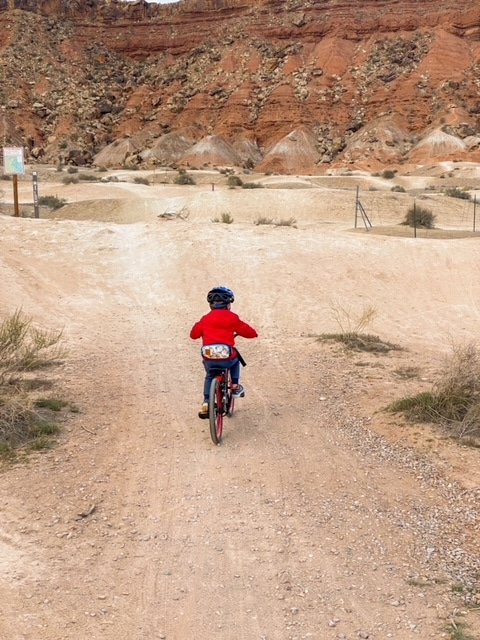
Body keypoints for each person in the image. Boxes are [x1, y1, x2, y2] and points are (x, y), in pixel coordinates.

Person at [190, 286, 258, 419]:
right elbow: (249, 332)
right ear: (228, 305)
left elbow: (193, 335)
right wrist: (253, 334)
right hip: (226, 356)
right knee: (235, 360)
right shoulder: (232, 318)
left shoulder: (205, 319)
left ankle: (206, 402)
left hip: (209, 357)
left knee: (210, 375)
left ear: (211, 305)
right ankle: (234, 386)